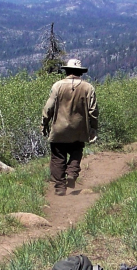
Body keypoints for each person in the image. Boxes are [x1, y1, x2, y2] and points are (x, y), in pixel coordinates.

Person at [41, 58, 98, 195]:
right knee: (76, 151)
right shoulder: (88, 87)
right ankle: (72, 173)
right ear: (80, 72)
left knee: (57, 157)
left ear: (66, 70)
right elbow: (93, 110)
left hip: (59, 128)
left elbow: (49, 107)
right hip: (79, 129)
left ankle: (60, 187)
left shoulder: (57, 86)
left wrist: (44, 123)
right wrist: (93, 127)